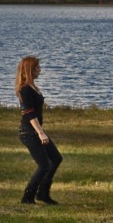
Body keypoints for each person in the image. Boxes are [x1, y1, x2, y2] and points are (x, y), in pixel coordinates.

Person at [15, 56, 63, 205]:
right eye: (37, 68)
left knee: (56, 158)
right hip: (29, 133)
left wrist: (41, 131)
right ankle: (27, 197)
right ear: (30, 70)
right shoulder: (25, 90)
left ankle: (43, 194)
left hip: (36, 131)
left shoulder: (32, 87)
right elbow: (29, 114)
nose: (39, 70)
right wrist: (41, 133)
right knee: (44, 165)